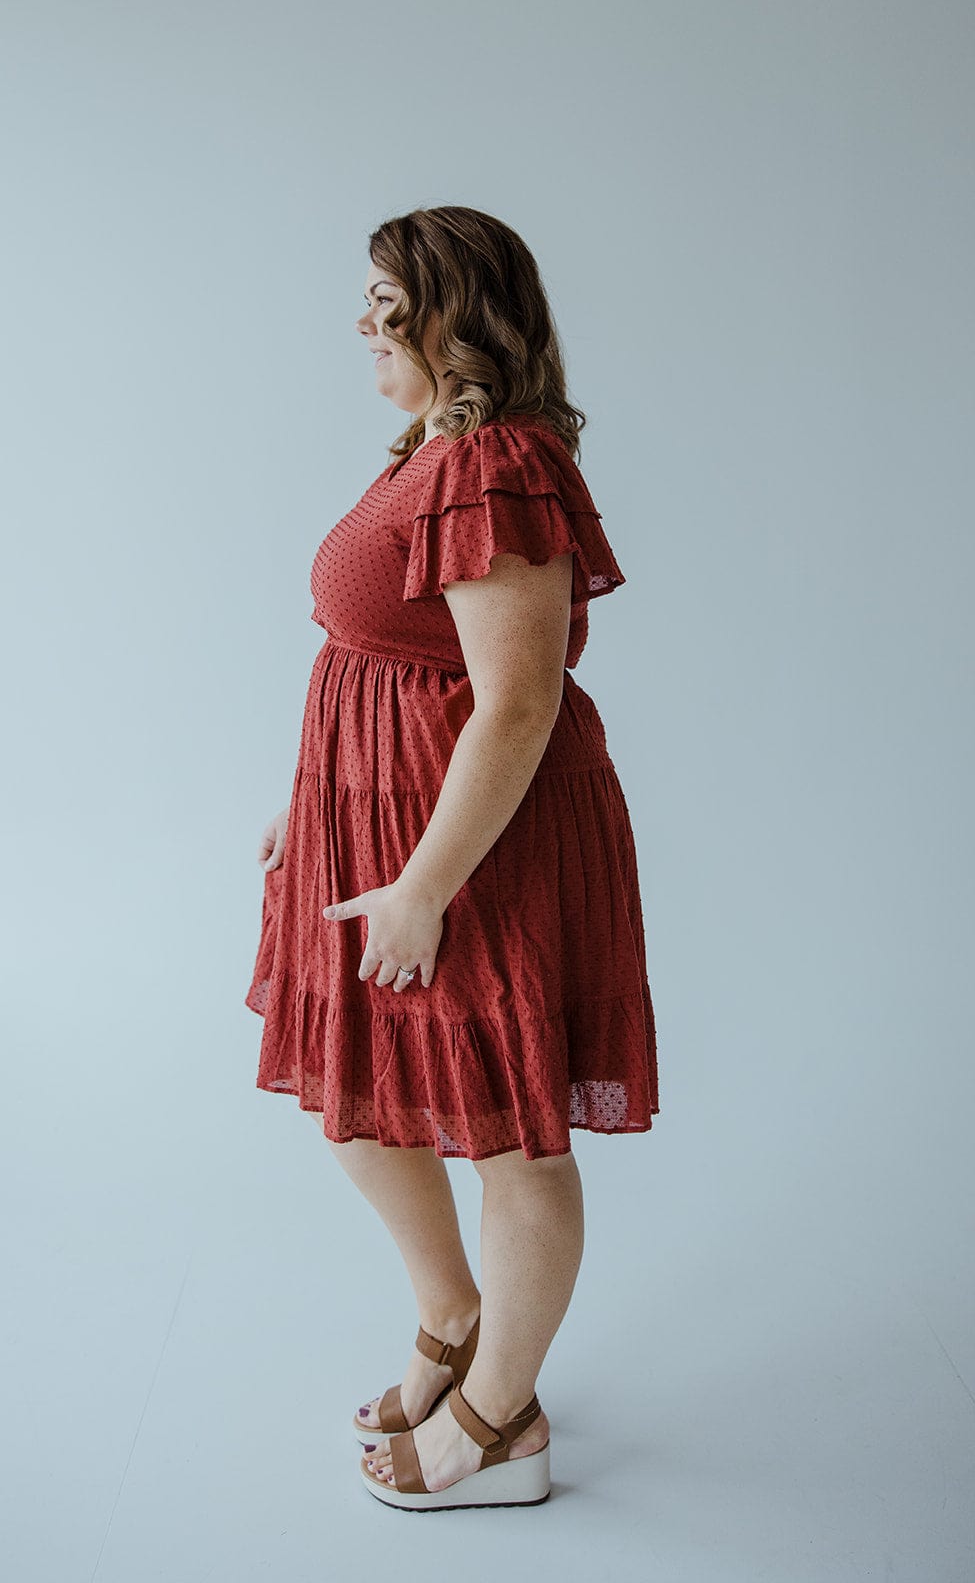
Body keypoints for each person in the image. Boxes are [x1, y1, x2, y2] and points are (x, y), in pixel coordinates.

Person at [245, 205, 659, 1511]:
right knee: (358, 1102)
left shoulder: (495, 467)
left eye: (386, 300)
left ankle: (496, 1421)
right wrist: (301, 806)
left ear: (455, 315)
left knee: (513, 1141)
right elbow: (379, 662)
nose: (361, 323)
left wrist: (424, 883)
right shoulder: (433, 448)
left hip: (477, 850)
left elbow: (518, 702)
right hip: (380, 828)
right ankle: (454, 1320)